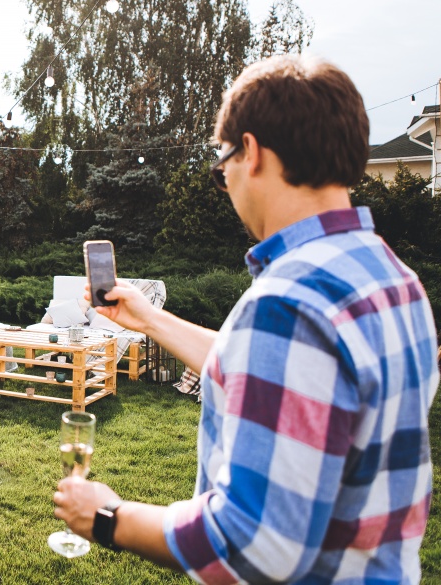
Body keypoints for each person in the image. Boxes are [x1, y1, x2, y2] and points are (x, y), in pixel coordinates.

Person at [54, 56, 438, 582]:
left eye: (222, 168)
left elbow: (251, 543)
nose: (226, 184)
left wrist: (108, 517)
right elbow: (278, 375)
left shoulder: (289, 302)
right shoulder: (394, 280)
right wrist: (150, 320)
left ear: (251, 152)